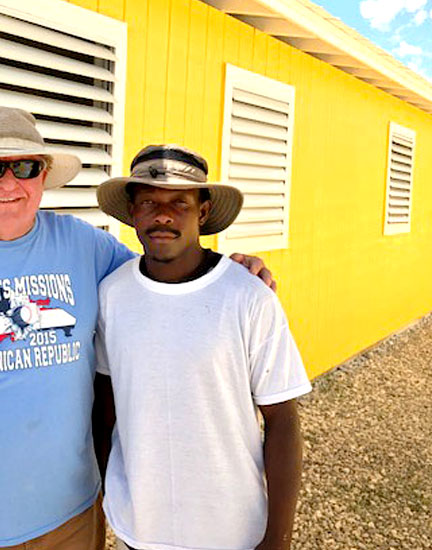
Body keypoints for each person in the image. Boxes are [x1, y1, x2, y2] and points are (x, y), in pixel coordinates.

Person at [0, 107, 275, 550]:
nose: (8, 182)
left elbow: (160, 282)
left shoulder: (85, 247)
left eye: (24, 166)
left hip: (71, 520)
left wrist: (229, 270)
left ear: (43, 176)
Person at [94, 145, 311, 550]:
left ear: (204, 212)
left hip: (232, 532)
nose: (163, 214)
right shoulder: (112, 294)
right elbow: (105, 405)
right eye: (148, 202)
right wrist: (111, 495)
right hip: (137, 529)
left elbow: (282, 422)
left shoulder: (249, 297)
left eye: (180, 202)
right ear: (132, 212)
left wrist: (277, 539)